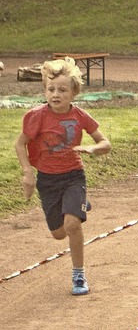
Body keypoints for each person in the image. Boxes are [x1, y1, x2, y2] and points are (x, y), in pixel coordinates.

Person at [15, 57, 112, 295]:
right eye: (51, 89)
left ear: (73, 93)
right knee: (59, 233)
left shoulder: (80, 116)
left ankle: (78, 275)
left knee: (72, 225)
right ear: (45, 90)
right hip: (47, 180)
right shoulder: (35, 116)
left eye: (62, 90)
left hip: (73, 176)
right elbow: (20, 145)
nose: (55, 94)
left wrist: (92, 148)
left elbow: (105, 143)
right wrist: (28, 173)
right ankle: (79, 205)